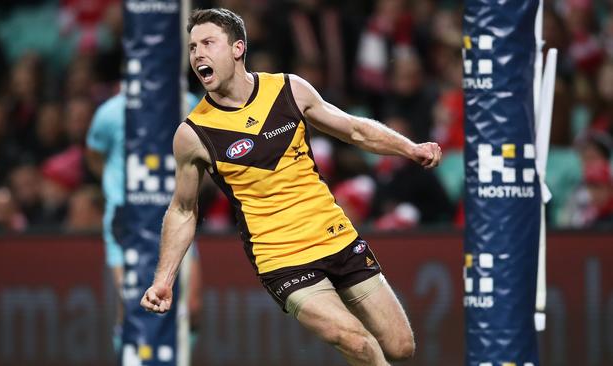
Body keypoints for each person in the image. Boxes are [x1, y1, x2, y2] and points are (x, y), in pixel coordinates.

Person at [140, 8, 442, 365]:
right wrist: (164, 279)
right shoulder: (193, 134)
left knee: (400, 347)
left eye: (208, 43)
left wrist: (410, 147)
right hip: (281, 259)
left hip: (337, 238)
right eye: (192, 48)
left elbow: (354, 129)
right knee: (356, 342)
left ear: (237, 48)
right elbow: (183, 208)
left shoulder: (288, 89)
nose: (198, 54)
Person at [87, 88, 203, 354]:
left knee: (193, 308)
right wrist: (117, 189)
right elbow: (95, 156)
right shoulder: (110, 113)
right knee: (133, 309)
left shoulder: (189, 104)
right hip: (127, 221)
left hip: (176, 217)